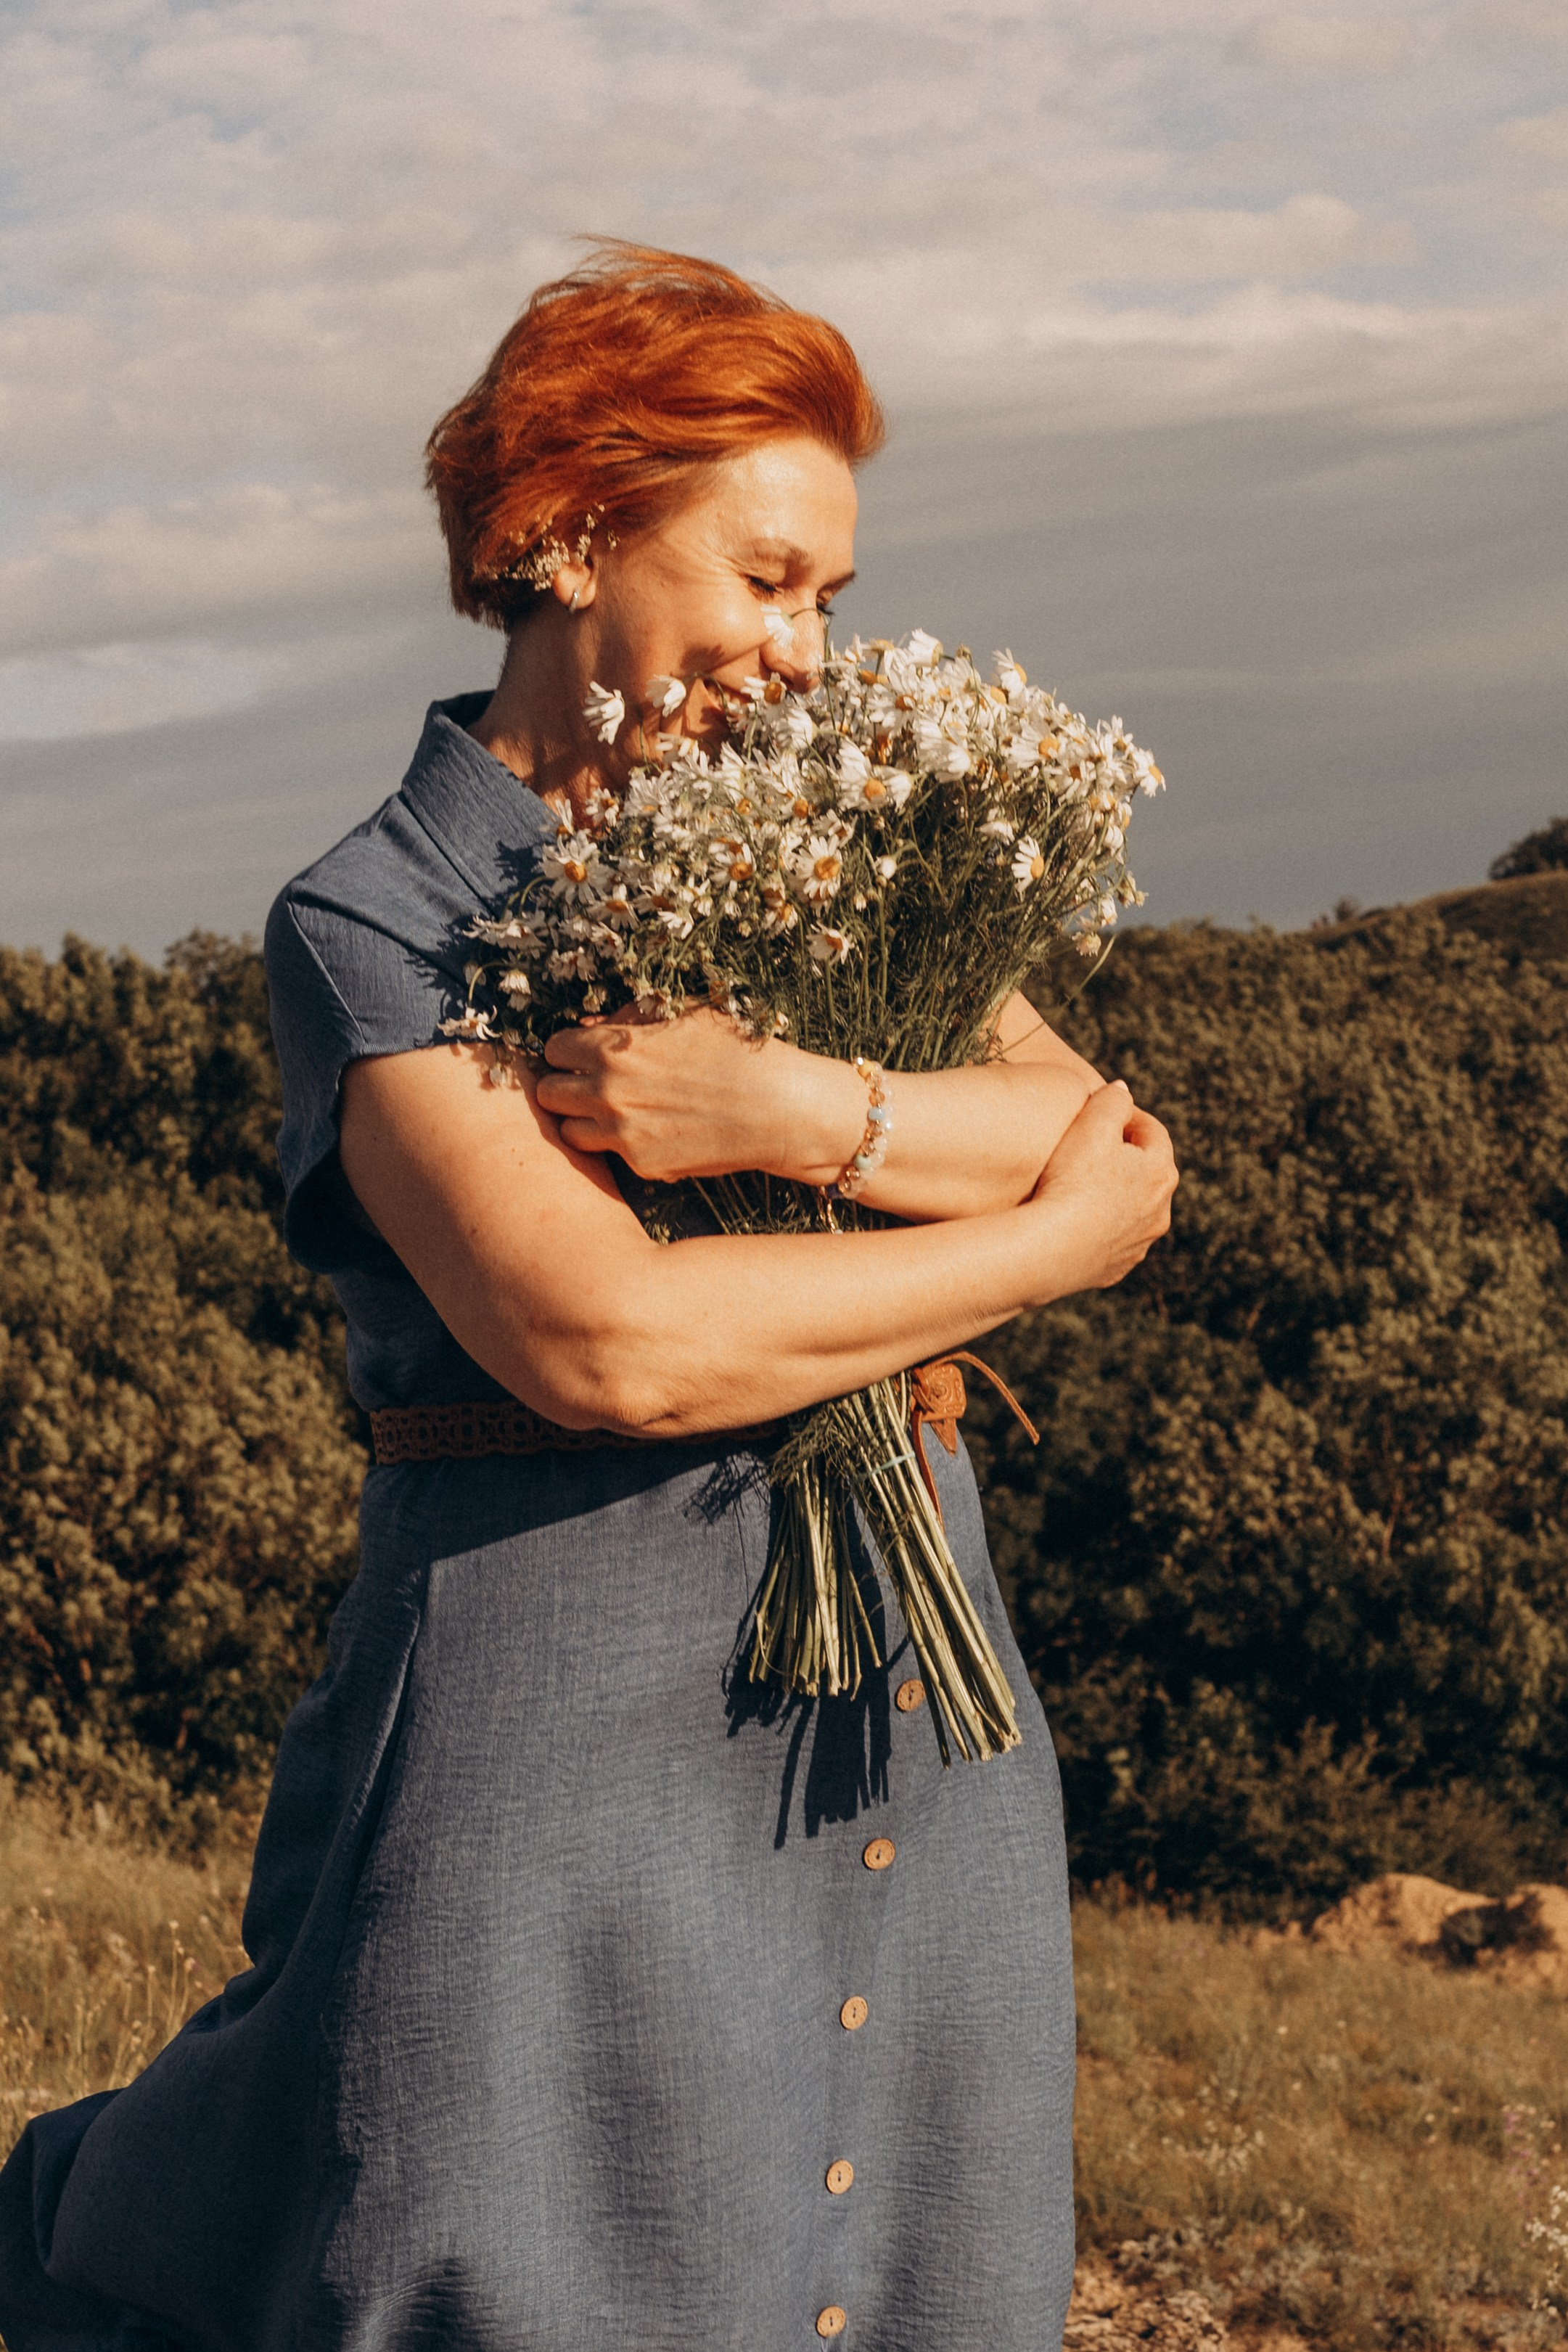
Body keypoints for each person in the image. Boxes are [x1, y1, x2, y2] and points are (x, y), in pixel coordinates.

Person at [0, 242, 1176, 2352]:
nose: (808, 657)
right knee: (476, 2248)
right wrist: (1037, 1256)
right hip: (556, 1756)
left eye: (827, 596)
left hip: (917, 1721)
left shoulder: (833, 855)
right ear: (559, 528)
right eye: (766, 575)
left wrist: (792, 1102)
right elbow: (602, 1336)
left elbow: (1098, 1133)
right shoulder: (377, 921)